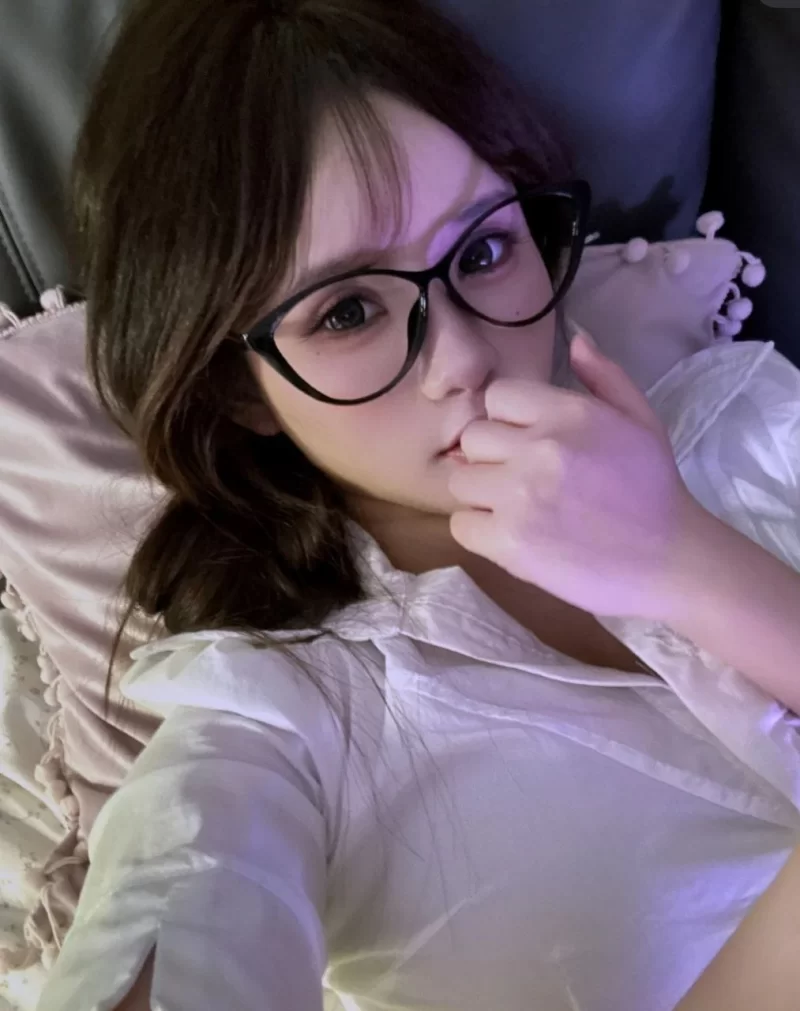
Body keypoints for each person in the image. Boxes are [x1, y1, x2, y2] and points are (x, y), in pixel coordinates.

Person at [36, 1, 800, 1009]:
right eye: (347, 310)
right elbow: (183, 896)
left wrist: (686, 559)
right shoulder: (279, 724)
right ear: (235, 388)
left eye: (482, 250)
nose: (463, 357)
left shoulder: (745, 418)